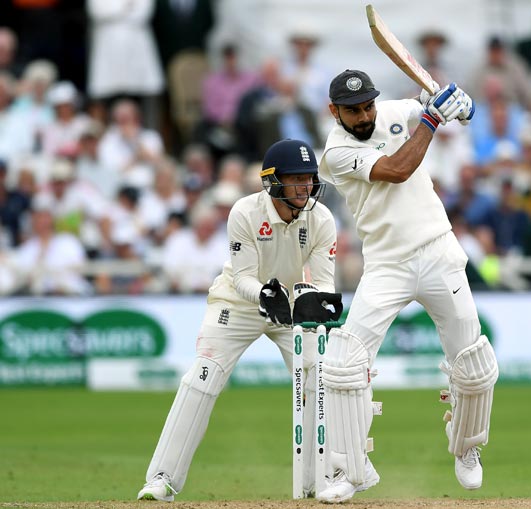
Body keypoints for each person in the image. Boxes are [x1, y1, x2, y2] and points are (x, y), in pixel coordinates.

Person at [316, 70, 498, 503]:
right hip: (387, 263)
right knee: (344, 363)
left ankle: (467, 448)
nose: (363, 116)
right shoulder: (336, 152)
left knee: (472, 362)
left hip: (437, 249)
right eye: (352, 110)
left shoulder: (396, 111)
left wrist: (460, 105)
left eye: (367, 107)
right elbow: (397, 169)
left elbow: (451, 113)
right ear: (333, 111)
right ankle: (349, 468)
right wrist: (433, 120)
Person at [136, 139, 343, 501]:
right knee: (203, 376)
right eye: (295, 180)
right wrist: (264, 294)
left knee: (318, 375)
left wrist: (312, 299)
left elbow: (324, 281)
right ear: (273, 181)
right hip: (239, 301)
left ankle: (319, 481)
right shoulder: (245, 212)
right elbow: (243, 277)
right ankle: (162, 479)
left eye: (309, 179)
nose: (305, 188)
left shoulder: (322, 218)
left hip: (291, 303)